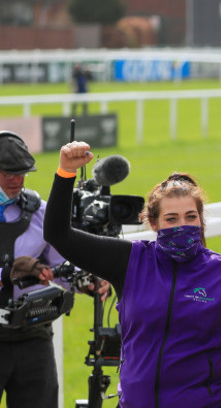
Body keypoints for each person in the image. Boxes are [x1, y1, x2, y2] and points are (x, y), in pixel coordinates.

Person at [43, 141, 221, 408]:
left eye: (190, 217)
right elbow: (58, 234)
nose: (182, 226)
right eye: (171, 219)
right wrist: (65, 172)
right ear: (154, 223)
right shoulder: (129, 261)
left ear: (201, 221)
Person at [0, 131, 107, 408]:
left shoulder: (39, 212)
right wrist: (9, 271)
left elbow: (60, 263)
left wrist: (85, 281)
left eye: (22, 173)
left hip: (33, 337)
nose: (17, 180)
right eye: (8, 173)